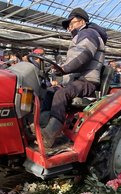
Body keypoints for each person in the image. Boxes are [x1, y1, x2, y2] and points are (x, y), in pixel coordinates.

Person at [41, 7, 107, 148]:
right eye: (68, 26)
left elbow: (84, 55)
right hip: (77, 80)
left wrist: (64, 69)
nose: (69, 28)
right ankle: (42, 124)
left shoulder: (89, 33)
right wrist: (57, 70)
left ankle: (51, 134)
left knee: (61, 94)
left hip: (87, 81)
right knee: (50, 91)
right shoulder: (79, 37)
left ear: (82, 21)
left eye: (72, 24)